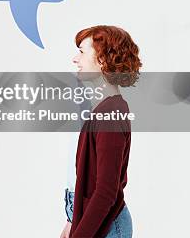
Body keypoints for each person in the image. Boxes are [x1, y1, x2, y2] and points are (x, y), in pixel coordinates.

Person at [60, 25, 141, 238]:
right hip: (92, 220)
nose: (75, 59)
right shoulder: (103, 108)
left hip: (106, 228)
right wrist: (72, 220)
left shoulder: (111, 113)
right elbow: (85, 176)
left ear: (103, 60)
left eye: (82, 52)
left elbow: (106, 191)